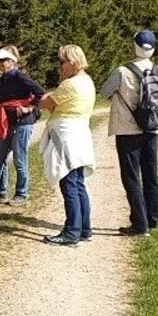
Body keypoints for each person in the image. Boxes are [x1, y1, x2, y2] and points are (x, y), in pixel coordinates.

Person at [100, 30, 158, 236]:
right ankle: (153, 219)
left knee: (131, 177)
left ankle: (139, 224)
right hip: (152, 127)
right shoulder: (157, 70)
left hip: (127, 130)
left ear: (134, 46)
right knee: (151, 175)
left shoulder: (122, 71)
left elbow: (104, 92)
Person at [39, 45, 96, 246]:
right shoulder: (87, 81)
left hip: (66, 136)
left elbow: (46, 103)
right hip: (80, 134)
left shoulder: (70, 85)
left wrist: (48, 95)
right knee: (78, 183)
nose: (60, 66)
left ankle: (71, 232)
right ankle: (84, 228)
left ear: (72, 62)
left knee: (69, 183)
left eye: (62, 62)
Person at [0, 46, 46, 205]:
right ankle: (1, 193)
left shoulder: (20, 77)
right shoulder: (4, 78)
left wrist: (29, 108)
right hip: (6, 121)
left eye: (1, 60)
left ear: (10, 62)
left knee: (19, 158)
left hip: (23, 122)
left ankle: (22, 193)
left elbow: (41, 92)